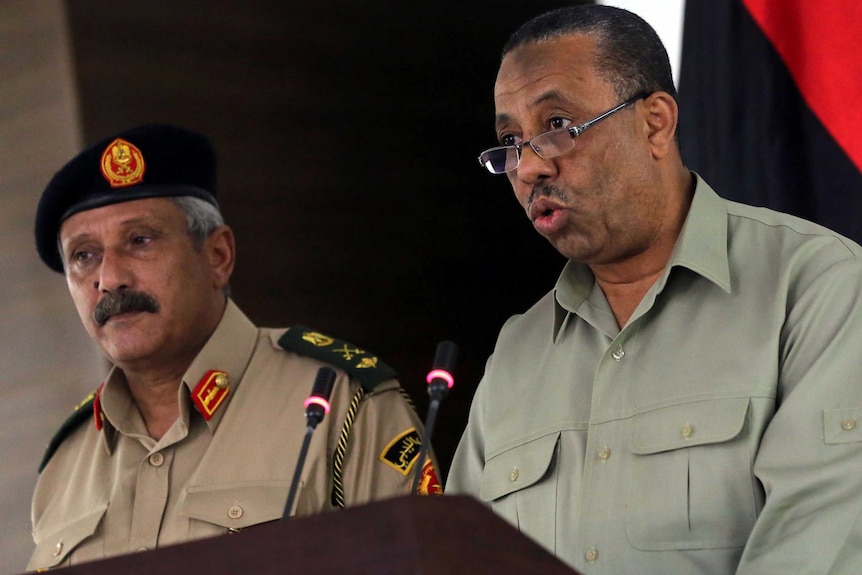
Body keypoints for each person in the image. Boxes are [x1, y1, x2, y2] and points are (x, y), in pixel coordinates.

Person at [446, 5, 862, 574]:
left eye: (558, 128)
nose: (528, 169)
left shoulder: (816, 287)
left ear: (656, 122)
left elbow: (816, 548)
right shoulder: (518, 353)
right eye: (511, 141)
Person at [28, 123, 440, 570]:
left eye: (139, 240)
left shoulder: (339, 402)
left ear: (217, 256)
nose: (110, 278)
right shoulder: (65, 465)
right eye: (83, 256)